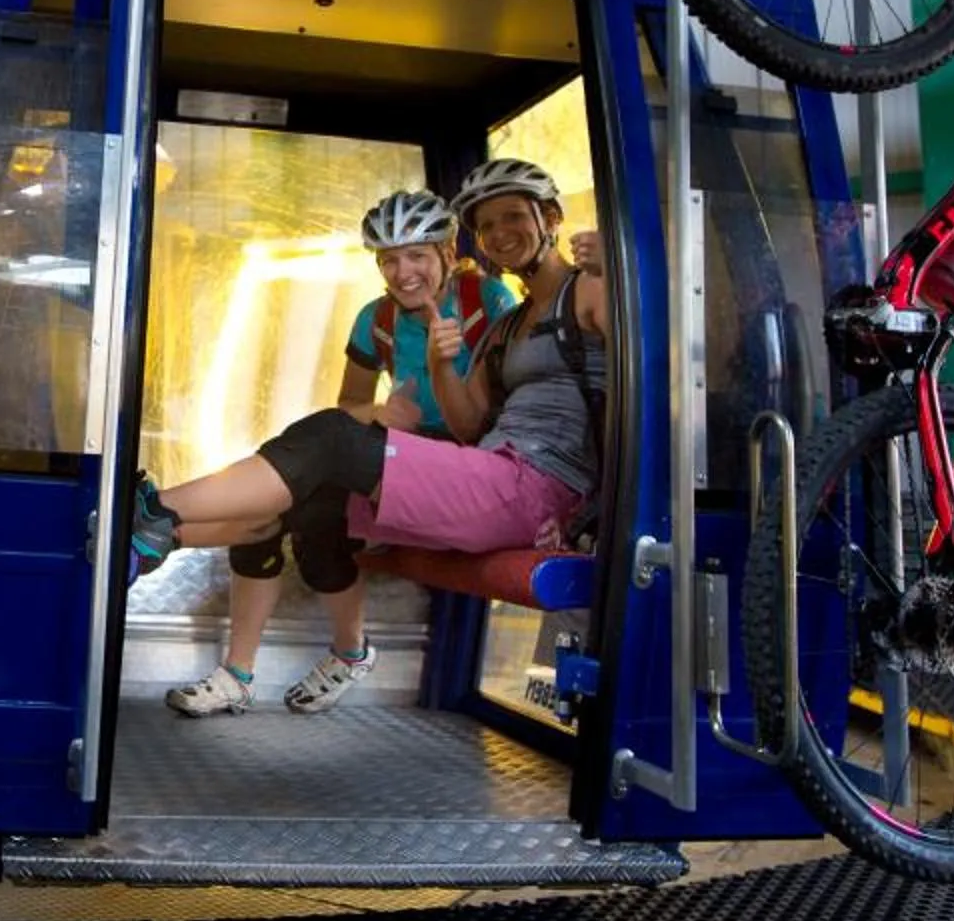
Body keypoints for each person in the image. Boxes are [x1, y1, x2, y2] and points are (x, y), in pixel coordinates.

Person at [141, 158, 609, 714]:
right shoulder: (506, 326)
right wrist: (439, 366)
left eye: (513, 217)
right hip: (490, 469)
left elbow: (659, 346)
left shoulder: (587, 290)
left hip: (535, 487)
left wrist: (625, 263)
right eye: (487, 225)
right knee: (309, 502)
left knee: (333, 441)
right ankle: (156, 540)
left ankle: (151, 515)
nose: (500, 234)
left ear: (551, 217)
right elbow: (475, 423)